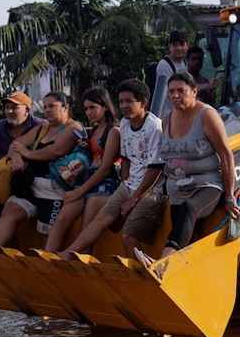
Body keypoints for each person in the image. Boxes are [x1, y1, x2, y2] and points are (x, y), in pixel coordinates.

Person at [55, 79, 167, 261]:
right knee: (99, 220)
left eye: (129, 101)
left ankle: (140, 277)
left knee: (128, 237)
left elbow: (155, 169)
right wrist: (124, 188)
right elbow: (126, 161)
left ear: (143, 103)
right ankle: (68, 255)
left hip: (151, 190)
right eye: (121, 101)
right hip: (129, 184)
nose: (123, 105)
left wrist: (133, 199)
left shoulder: (153, 128)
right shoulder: (124, 123)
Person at [141, 72, 237, 263]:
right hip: (176, 188)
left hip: (206, 185)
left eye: (181, 91)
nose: (175, 95)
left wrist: (229, 196)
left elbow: (226, 156)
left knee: (189, 209)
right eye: (171, 91)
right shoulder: (167, 118)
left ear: (194, 92)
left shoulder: (207, 115)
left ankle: (162, 262)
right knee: (181, 230)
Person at [0, 91, 84, 251]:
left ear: (65, 107)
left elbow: (57, 151)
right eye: (45, 107)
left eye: (52, 106)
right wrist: (17, 159)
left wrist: (26, 153)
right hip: (31, 187)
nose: (47, 110)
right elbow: (14, 146)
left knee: (45, 237)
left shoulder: (74, 127)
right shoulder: (42, 129)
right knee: (8, 213)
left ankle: (47, 269)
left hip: (55, 191)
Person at [44, 88, 121, 252]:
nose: (89, 112)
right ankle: (48, 258)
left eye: (92, 107)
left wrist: (78, 192)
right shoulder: (94, 130)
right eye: (86, 109)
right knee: (62, 219)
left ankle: (80, 268)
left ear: (105, 106)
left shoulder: (113, 131)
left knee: (85, 232)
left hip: (104, 183)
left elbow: (105, 168)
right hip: (87, 179)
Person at [155, 30, 190, 115]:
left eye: (182, 44)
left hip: (180, 111)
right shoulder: (164, 65)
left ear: (187, 46)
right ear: (169, 47)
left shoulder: (184, 63)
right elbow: (167, 92)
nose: (178, 48)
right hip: (167, 113)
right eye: (175, 45)